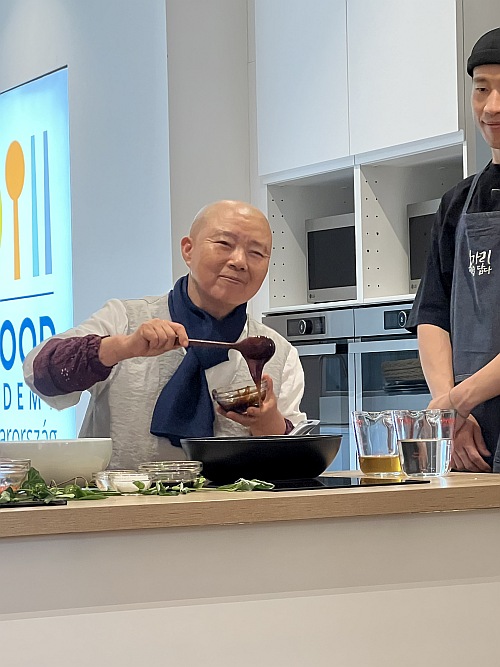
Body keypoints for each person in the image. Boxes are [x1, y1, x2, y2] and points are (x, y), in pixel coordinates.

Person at [23, 200, 306, 469]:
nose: (239, 261)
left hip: (234, 505)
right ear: (188, 250)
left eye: (256, 253)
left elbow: (295, 464)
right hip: (119, 503)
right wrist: (123, 347)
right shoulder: (124, 319)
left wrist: (269, 424)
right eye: (224, 244)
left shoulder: (278, 353)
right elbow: (40, 374)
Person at [407, 27, 500, 473]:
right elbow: (433, 313)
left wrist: (455, 403)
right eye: (482, 89)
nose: (492, 106)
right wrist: (451, 412)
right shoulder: (458, 202)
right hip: (470, 439)